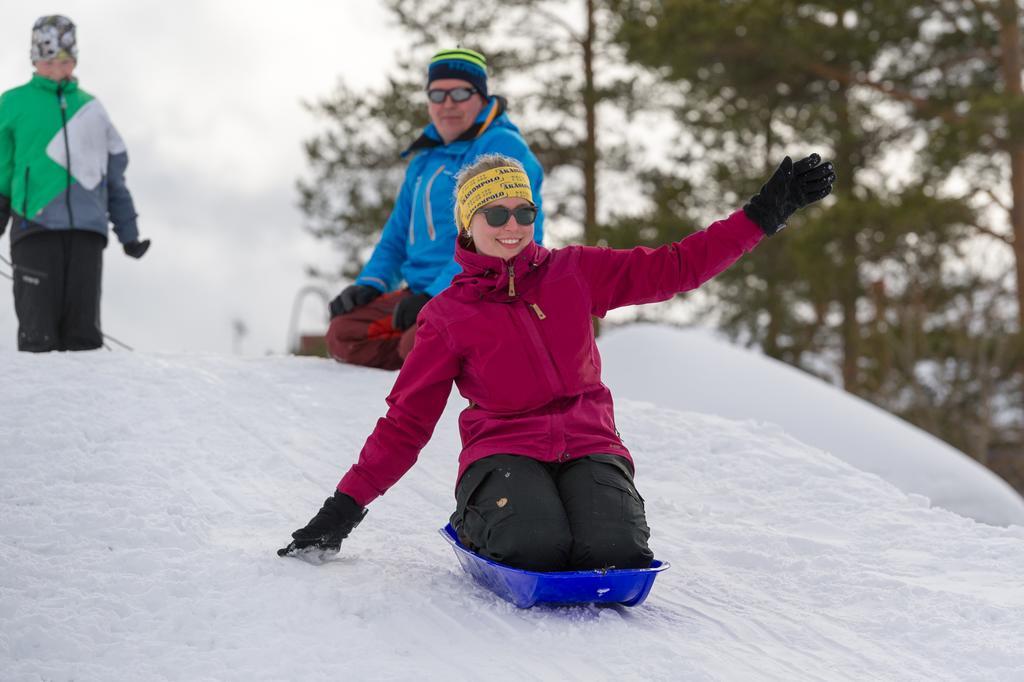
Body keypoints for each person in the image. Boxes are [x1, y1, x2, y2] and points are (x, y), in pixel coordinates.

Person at [280, 152, 836, 571]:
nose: (512, 224)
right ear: (468, 223)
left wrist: (762, 216)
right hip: (503, 450)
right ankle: (475, 517)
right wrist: (342, 512)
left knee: (614, 552)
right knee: (535, 547)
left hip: (589, 442)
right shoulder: (448, 315)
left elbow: (675, 268)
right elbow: (406, 423)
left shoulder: (573, 272)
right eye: (494, 212)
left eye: (523, 209)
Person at [326, 48, 544, 370]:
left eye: (460, 93)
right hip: (421, 294)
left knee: (420, 340)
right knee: (344, 333)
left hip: (484, 291)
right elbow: (397, 235)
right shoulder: (424, 162)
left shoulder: (501, 150)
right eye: (437, 94)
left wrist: (435, 295)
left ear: (482, 98)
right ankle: (439, 356)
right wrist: (371, 282)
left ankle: (473, 351)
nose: (448, 104)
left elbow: (501, 241)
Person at [0, 15, 149, 352]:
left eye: (65, 61)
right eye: (50, 60)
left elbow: (114, 179)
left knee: (82, 335)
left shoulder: (92, 109)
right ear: (36, 60)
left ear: (75, 60)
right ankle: (42, 403)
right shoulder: (13, 104)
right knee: (38, 333)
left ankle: (85, 403)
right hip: (33, 226)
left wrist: (129, 233)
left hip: (86, 232)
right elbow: (1, 165)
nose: (58, 69)